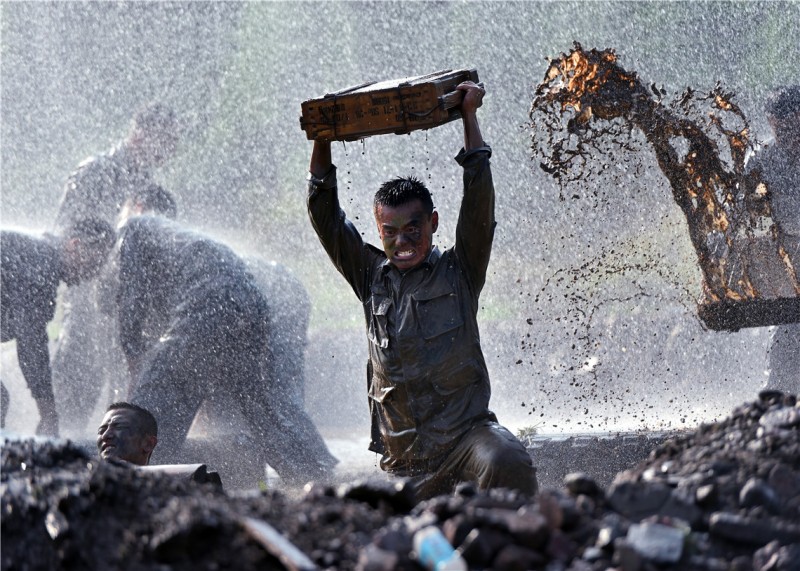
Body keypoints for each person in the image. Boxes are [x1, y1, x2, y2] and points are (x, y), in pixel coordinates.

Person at [306, 81, 538, 500]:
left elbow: (478, 201)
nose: (402, 241)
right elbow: (325, 216)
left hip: (465, 444)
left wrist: (469, 115)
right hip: (406, 465)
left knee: (507, 459)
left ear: (432, 222)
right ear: (379, 230)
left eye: (413, 228)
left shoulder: (459, 270)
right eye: (390, 232)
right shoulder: (370, 276)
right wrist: (322, 136)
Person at [115, 213, 338, 486]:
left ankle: (136, 483)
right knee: (257, 408)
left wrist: (135, 380)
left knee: (150, 413)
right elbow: (191, 350)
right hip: (251, 304)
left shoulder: (131, 233)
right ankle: (311, 473)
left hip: (212, 301)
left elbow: (132, 314)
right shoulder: (173, 244)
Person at [51, 103, 179, 435]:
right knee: (75, 392)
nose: (170, 151)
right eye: (165, 141)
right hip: (85, 303)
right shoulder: (96, 172)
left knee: (122, 387)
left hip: (124, 304)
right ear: (140, 136)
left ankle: (115, 464)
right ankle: (53, 453)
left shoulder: (147, 185)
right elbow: (64, 237)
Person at [1, 218, 116, 436]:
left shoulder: (38, 254)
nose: (95, 272)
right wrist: (48, 413)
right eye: (95, 262)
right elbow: (31, 341)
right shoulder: (41, 264)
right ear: (74, 245)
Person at [747, 85, 800, 394]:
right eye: (788, 128)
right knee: (789, 339)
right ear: (772, 123)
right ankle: (777, 403)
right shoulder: (761, 162)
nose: (796, 136)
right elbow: (752, 222)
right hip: (787, 264)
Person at [97, 401, 158, 466]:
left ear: (148, 443)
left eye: (120, 427)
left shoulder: (166, 475)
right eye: (101, 431)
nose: (105, 435)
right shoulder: (86, 474)